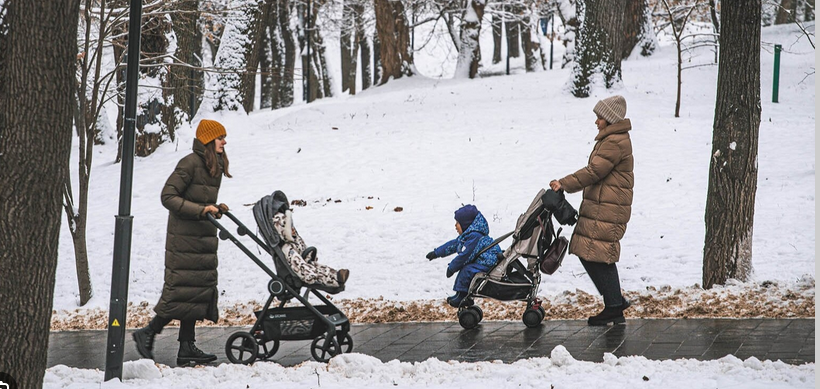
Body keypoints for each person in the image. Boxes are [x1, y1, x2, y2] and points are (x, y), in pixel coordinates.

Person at [133, 119, 232, 365]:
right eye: (220, 137)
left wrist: (215, 209)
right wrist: (201, 210)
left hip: (200, 238)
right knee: (180, 293)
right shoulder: (189, 163)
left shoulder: (212, 164)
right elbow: (168, 196)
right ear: (209, 140)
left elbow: (200, 200)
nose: (224, 141)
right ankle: (148, 332)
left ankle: (186, 348)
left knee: (194, 294)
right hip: (184, 238)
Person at [549, 95, 634, 326]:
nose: (596, 122)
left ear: (609, 119)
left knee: (597, 255)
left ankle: (614, 306)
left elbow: (594, 171)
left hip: (608, 208)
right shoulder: (612, 139)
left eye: (599, 117)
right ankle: (614, 303)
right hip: (603, 206)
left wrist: (564, 183)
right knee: (593, 253)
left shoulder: (614, 142)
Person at [426, 204, 502, 307]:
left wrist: (452, 268)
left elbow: (465, 256)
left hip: (487, 262)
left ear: (466, 224)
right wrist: (436, 253)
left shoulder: (475, 237)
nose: (455, 226)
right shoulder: (468, 236)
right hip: (483, 260)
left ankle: (462, 296)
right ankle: (462, 295)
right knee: (467, 269)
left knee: (466, 270)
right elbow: (453, 245)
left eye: (458, 223)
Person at [271, 208, 349, 288]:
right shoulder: (287, 249)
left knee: (322, 268)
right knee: (320, 274)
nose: (293, 229)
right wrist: (310, 274)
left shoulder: (295, 241)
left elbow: (304, 250)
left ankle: (337, 275)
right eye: (289, 228)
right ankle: (333, 279)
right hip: (306, 272)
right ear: (283, 231)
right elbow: (296, 263)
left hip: (309, 264)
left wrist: (310, 256)